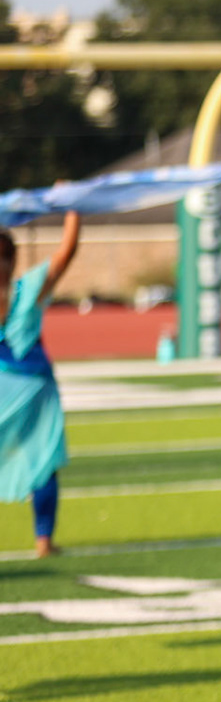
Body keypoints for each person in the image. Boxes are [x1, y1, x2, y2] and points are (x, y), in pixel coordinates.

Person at [0, 211, 81, 558]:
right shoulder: (27, 288)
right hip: (33, 387)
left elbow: (65, 254)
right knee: (43, 460)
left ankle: (45, 539)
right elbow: (66, 252)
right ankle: (43, 540)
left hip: (13, 386)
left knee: (42, 460)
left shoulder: (27, 289)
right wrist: (72, 208)